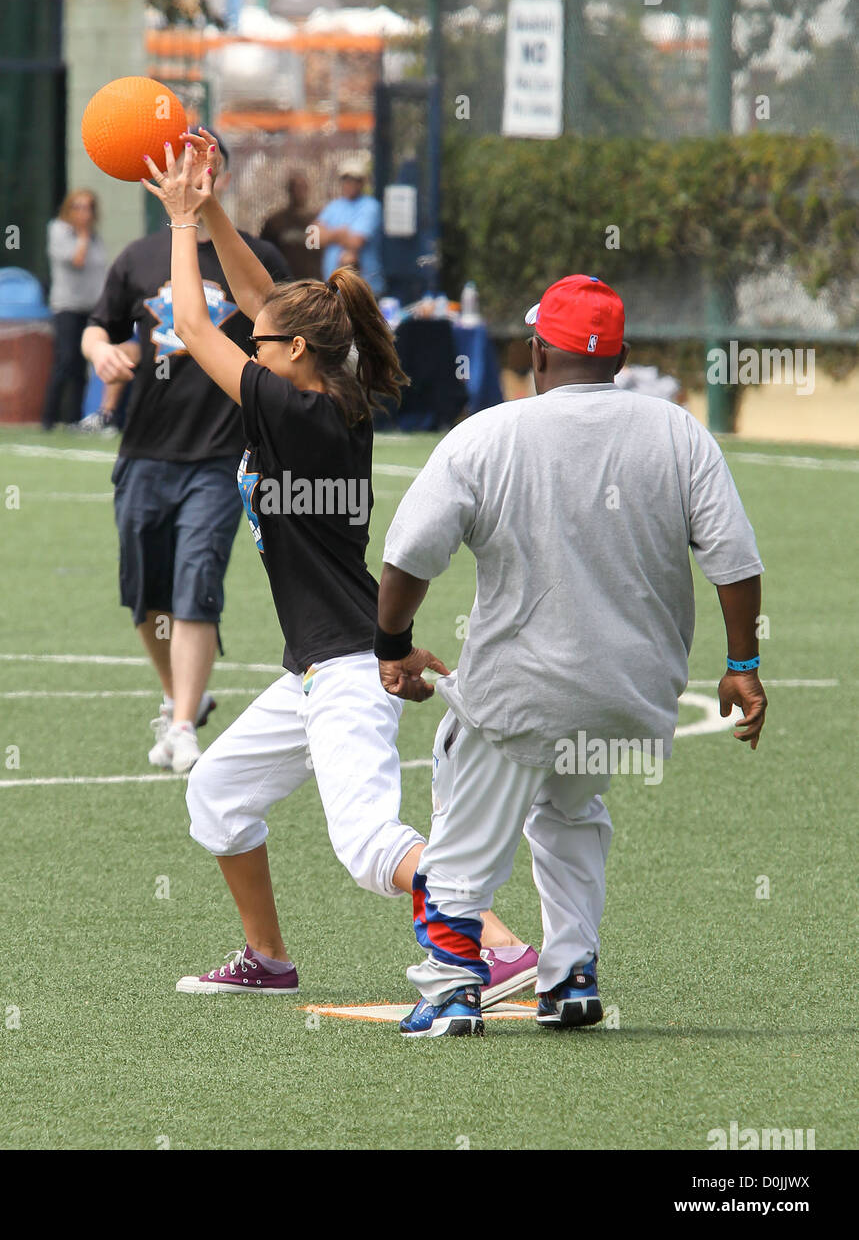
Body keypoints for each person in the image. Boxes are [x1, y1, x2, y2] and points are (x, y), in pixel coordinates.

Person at [140, 129, 537, 1003]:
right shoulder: (332, 388)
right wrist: (209, 207)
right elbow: (256, 298)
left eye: (266, 337)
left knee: (366, 846)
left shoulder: (296, 411)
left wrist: (176, 223)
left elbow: (198, 321)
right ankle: (268, 962)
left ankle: (502, 947)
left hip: (350, 664)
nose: (256, 335)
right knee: (216, 793)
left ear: (288, 355)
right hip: (317, 662)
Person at [375, 274, 767, 1037]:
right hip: (630, 697)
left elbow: (407, 560)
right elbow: (734, 561)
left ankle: (454, 987)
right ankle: (570, 978)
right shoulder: (677, 431)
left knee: (461, 829)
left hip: (516, 695)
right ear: (618, 356)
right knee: (571, 812)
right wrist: (743, 666)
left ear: (534, 352)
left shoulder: (487, 434)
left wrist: (392, 646)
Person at [81, 136, 292, 775]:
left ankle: (181, 726)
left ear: (219, 175)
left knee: (196, 580)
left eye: (204, 166)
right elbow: (100, 325)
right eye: (182, 166)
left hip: (222, 450)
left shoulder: (253, 257)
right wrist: (100, 353)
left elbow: (280, 329)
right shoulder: (138, 256)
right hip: (146, 446)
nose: (192, 176)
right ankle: (181, 699)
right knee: (146, 593)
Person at [42, 189, 107, 430]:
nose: (83, 212)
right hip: (67, 307)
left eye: (88, 207)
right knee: (65, 361)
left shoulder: (95, 238)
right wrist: (81, 235)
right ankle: (48, 418)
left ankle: (73, 419)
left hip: (90, 308)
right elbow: (77, 260)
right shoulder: (59, 231)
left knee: (83, 366)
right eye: (78, 207)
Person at [313, 158, 384, 296]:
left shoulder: (370, 206)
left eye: (355, 179)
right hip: (333, 290)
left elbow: (355, 241)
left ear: (362, 182)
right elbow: (313, 238)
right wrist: (340, 234)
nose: (350, 183)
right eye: (346, 179)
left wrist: (328, 235)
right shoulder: (334, 207)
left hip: (364, 291)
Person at [259, 172, 321, 280]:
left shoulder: (317, 220)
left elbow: (318, 253)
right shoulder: (275, 221)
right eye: (295, 187)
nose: (299, 192)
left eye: (302, 188)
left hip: (311, 282)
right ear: (289, 190)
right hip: (284, 282)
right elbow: (265, 251)